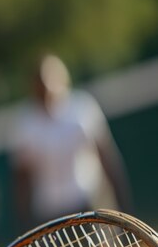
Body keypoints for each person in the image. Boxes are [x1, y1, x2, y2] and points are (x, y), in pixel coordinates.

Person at [9, 54, 133, 231]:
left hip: (90, 203)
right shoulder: (24, 125)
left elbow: (107, 158)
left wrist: (123, 208)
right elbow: (21, 180)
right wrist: (24, 223)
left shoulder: (83, 109)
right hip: (49, 213)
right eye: (39, 82)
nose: (45, 87)